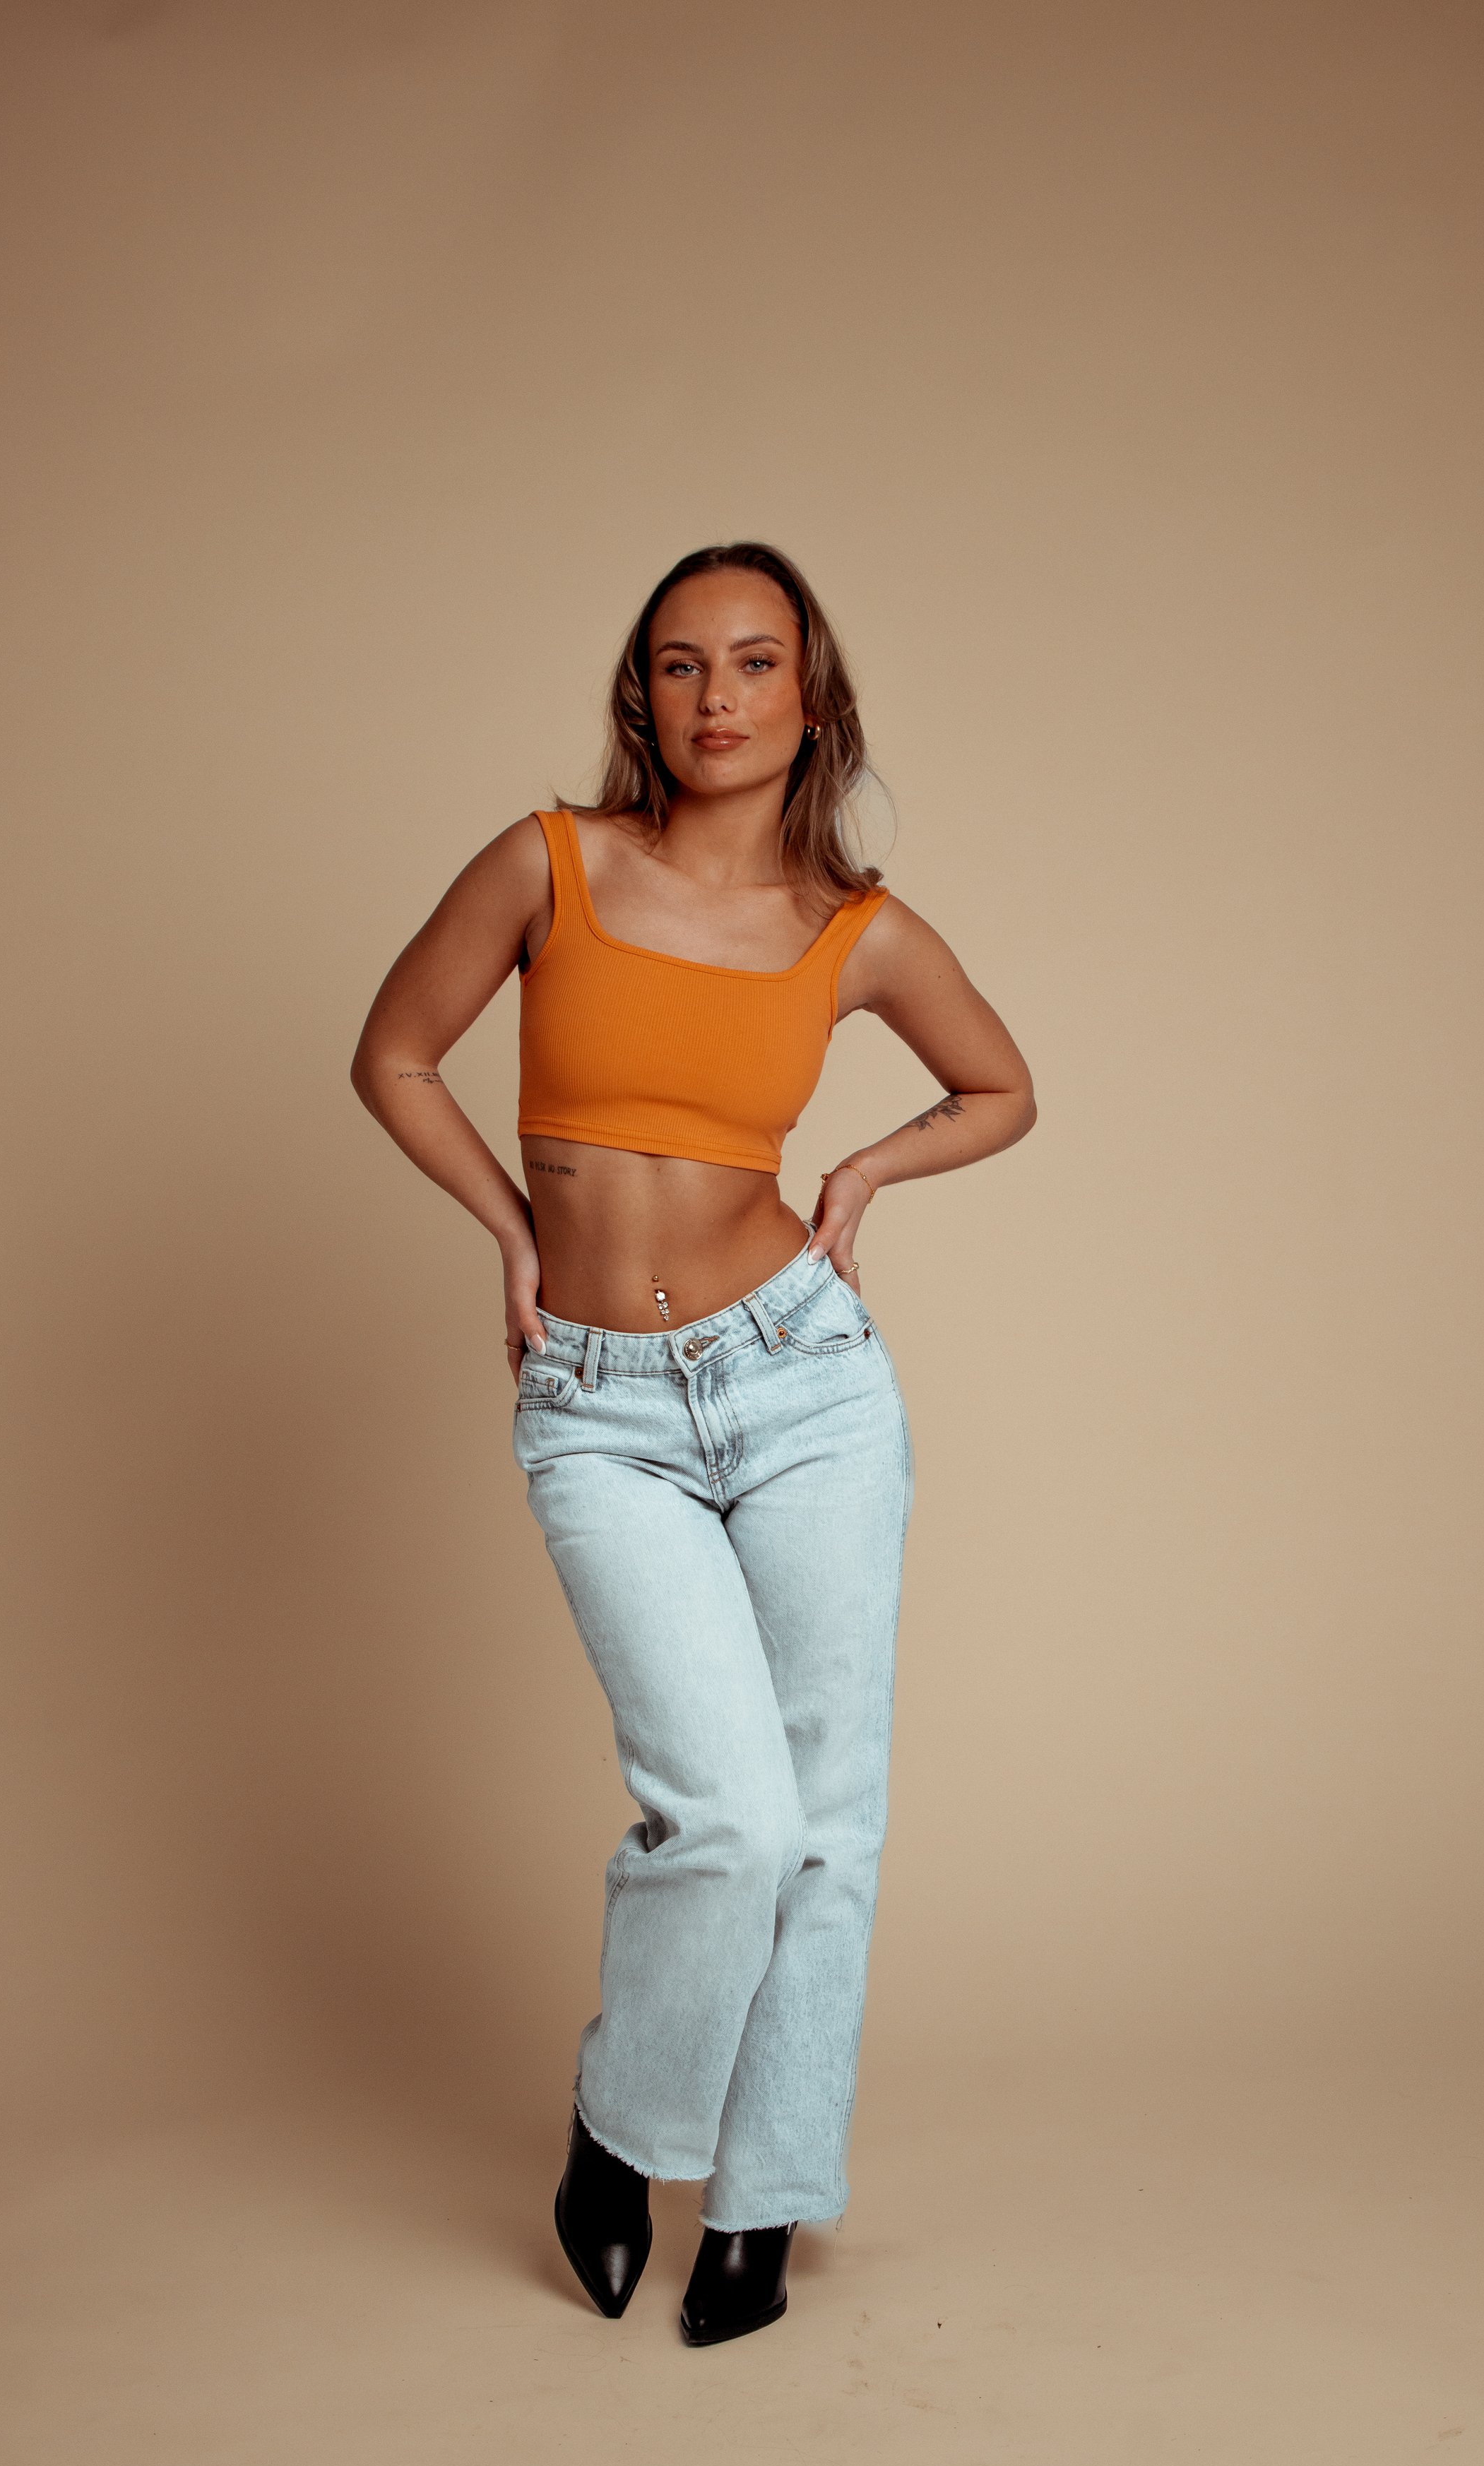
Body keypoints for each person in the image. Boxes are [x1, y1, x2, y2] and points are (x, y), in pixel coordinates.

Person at [351, 543, 1035, 2345]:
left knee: (824, 1820)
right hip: (597, 1403)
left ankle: (764, 2201)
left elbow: (1001, 1086)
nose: (714, 696)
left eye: (751, 662)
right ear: (638, 695)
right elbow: (397, 1055)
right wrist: (513, 1234)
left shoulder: (852, 927)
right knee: (721, 1815)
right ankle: (619, 2131)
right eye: (676, 664)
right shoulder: (547, 862)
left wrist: (867, 1168)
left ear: (810, 696)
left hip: (799, 1377)